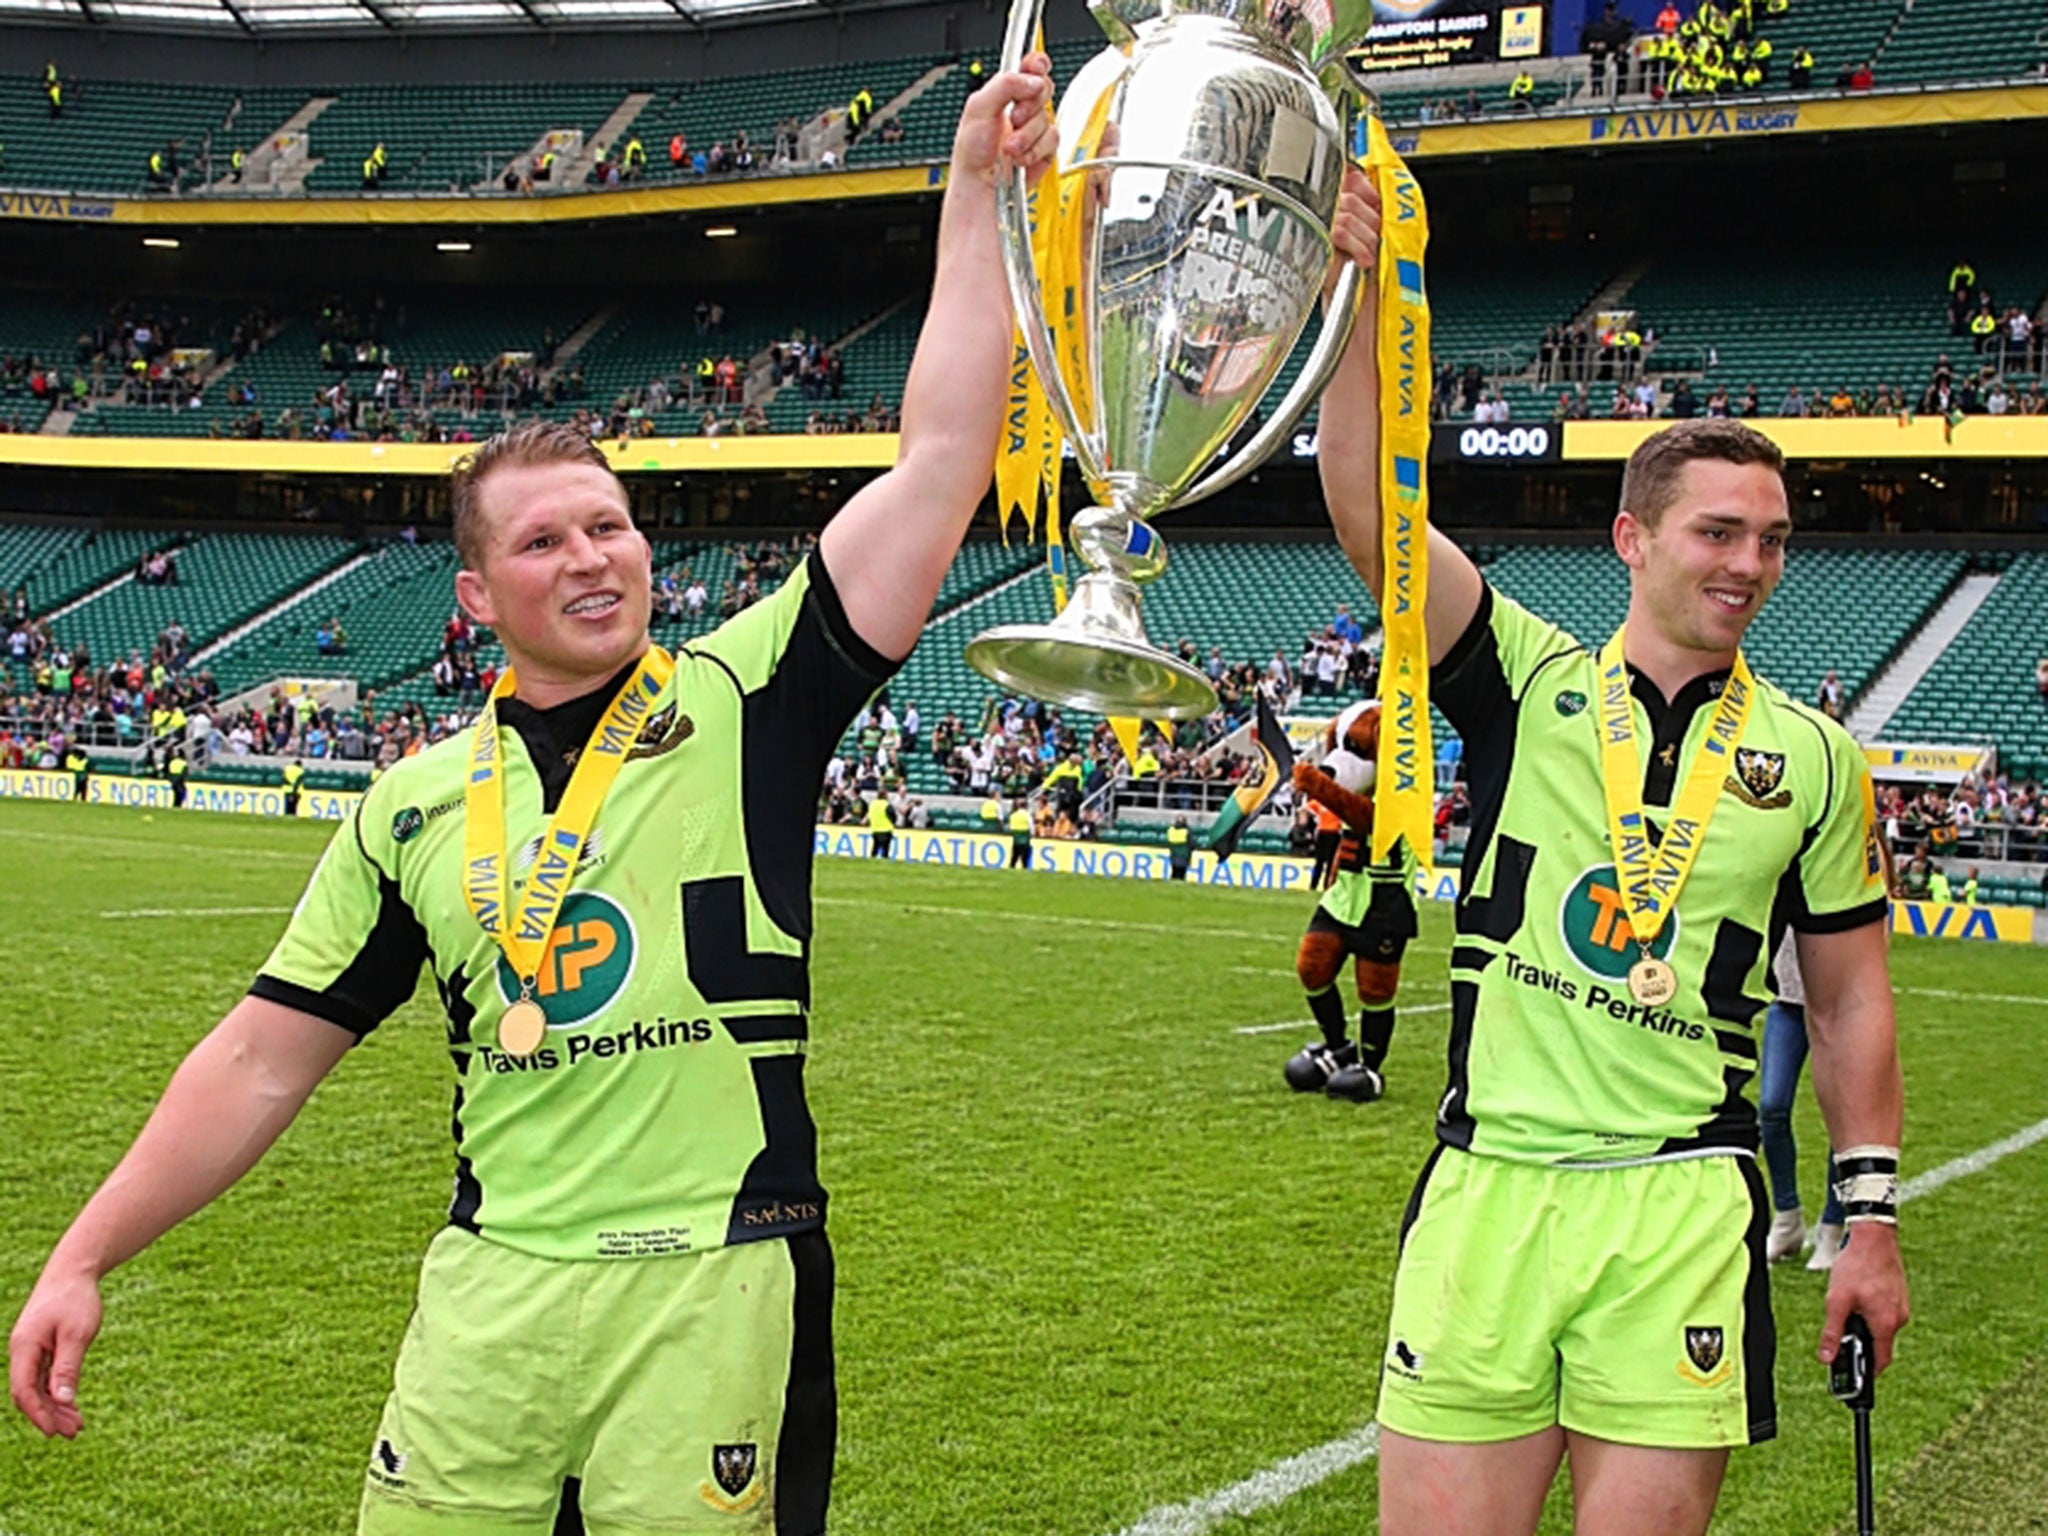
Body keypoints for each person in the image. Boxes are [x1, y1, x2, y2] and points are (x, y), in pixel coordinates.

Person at [7, 58, 1061, 1536]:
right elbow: (260, 1059)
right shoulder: (413, 806)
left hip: (714, 1278)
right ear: (473, 593)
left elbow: (945, 455)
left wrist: (971, 195)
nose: (593, 556)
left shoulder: (751, 698)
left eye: (614, 525)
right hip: (493, 1294)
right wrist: (83, 1253)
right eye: (548, 538)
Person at [1317, 165, 1907, 1536]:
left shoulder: (1818, 758)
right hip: (1492, 1192)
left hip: (1681, 1205)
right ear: (1632, 537)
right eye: (1718, 531)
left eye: (1771, 540)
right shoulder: (1524, 682)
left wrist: (1867, 1219)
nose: (1750, 563)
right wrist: (1358, 306)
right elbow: (1366, 508)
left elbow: (1849, 999)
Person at [1280, 702, 1418, 1104]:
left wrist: (1321, 787)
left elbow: (1367, 818)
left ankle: (1371, 1068)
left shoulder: (1408, 793)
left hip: (1383, 902)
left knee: (1375, 989)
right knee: (1312, 966)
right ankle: (1338, 1046)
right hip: (1344, 897)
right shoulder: (1356, 790)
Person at [865, 786, 894, 858]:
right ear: (884, 795)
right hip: (886, 830)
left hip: (875, 829)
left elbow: (869, 815)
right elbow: (893, 816)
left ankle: (872, 860)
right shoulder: (886, 804)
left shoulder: (872, 804)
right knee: (885, 850)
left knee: (875, 848)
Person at [1007, 797, 1032, 869]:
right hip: (1025, 839)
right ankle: (1025, 868)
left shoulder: (1013, 815)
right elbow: (1031, 826)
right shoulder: (1027, 815)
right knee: (1024, 859)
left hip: (1016, 839)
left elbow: (1011, 828)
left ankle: (1011, 867)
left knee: (1014, 856)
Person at [1166, 815, 1192, 880]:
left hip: (1173, 854)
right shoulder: (1186, 831)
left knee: (1174, 872)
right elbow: (1192, 843)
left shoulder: (1170, 830)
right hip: (1184, 855)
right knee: (1182, 874)